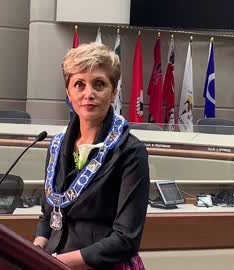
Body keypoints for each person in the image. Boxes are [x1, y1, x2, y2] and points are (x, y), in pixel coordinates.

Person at [33, 43, 150, 269]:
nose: (89, 94)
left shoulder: (131, 152)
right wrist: (36, 249)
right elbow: (49, 216)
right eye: (79, 84)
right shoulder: (56, 146)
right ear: (68, 93)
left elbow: (126, 239)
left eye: (99, 84)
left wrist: (58, 263)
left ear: (113, 92)